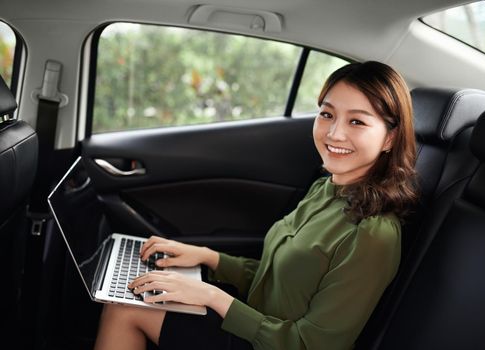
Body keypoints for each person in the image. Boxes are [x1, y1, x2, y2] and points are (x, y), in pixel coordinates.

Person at [94, 61, 418, 350]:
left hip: (270, 342)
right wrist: (207, 258)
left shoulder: (373, 235)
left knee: (127, 308)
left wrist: (211, 296)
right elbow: (275, 280)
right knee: (130, 294)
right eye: (327, 114)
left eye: (357, 122)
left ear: (390, 137)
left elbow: (312, 343)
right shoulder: (325, 189)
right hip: (253, 322)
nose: (334, 133)